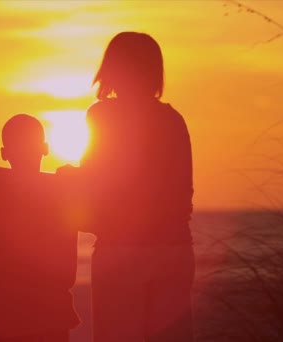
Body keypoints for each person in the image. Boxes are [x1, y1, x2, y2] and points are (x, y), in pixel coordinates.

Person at [76, 32, 195, 342]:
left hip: (120, 249)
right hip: (174, 248)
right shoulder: (173, 120)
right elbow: (184, 193)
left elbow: (94, 179)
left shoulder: (102, 116)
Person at [0, 114, 80, 342]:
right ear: (45, 148)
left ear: (3, 153)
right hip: (49, 315)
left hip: (3, 317)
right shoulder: (64, 192)